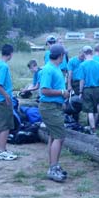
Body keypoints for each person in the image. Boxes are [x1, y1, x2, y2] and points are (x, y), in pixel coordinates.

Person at [39, 43, 70, 182]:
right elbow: (44, 90)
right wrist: (62, 92)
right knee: (60, 136)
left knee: (54, 136)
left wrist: (61, 98)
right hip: (49, 107)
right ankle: (52, 169)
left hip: (54, 106)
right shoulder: (48, 69)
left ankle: (54, 166)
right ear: (61, 56)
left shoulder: (56, 68)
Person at [0, 44, 17, 161]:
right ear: (10, 53)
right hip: (2, 101)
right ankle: (2, 151)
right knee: (5, 126)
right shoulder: (4, 66)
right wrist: (6, 96)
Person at [78, 46, 99, 135]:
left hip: (87, 89)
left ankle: (93, 129)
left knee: (89, 111)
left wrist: (80, 92)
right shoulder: (98, 64)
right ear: (92, 53)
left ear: (84, 53)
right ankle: (95, 125)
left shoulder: (82, 65)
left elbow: (82, 80)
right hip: (97, 89)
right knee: (96, 108)